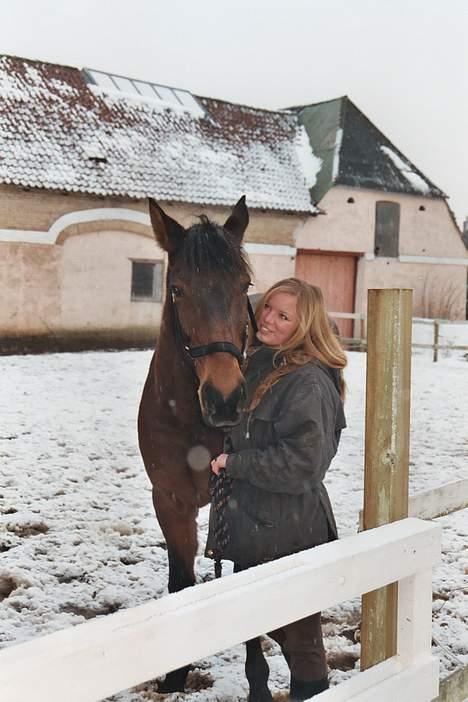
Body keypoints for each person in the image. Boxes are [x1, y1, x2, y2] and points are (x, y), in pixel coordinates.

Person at [206, 277, 347, 701]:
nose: (267, 319)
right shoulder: (262, 363)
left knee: (300, 638)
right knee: (261, 617)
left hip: (290, 529)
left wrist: (236, 464)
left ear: (304, 328)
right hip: (255, 522)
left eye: (283, 316)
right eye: (267, 307)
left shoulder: (307, 383)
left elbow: (304, 465)